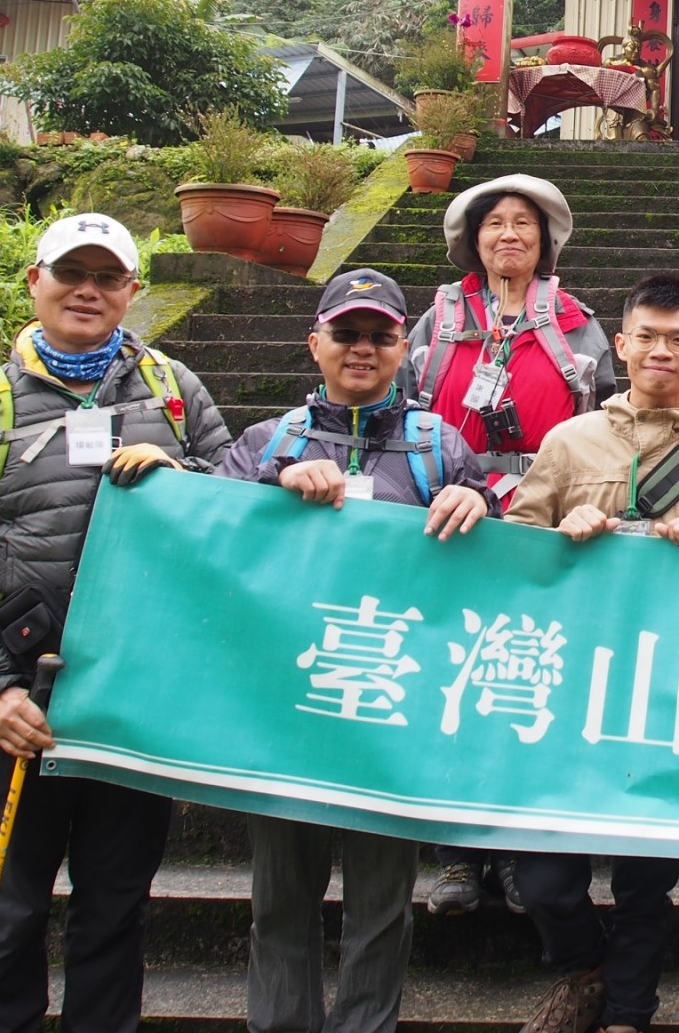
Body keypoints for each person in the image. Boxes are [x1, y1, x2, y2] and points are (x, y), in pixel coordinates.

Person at [0, 213, 233, 1033]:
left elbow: (234, 506)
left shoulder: (173, 390)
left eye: (106, 277)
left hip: (137, 692)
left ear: (131, 291)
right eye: (70, 273)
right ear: (35, 281)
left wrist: (182, 471)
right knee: (7, 909)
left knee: (116, 906)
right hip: (22, 693)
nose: (87, 290)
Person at [430, 273, 679, 1033]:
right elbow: (513, 560)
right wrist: (562, 531)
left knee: (647, 884)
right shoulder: (569, 441)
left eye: (677, 339)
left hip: (667, 695)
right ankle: (585, 964)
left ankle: (628, 1014)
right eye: (645, 335)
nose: (660, 350)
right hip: (570, 692)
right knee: (546, 881)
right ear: (619, 344)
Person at [214, 268, 492, 1033]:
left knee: (380, 907)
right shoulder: (266, 442)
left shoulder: (441, 445)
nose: (363, 348)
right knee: (280, 905)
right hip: (287, 709)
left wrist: (482, 499)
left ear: (408, 346)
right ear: (315, 344)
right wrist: (273, 481)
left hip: (388, 708)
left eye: (381, 334)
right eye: (347, 333)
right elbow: (206, 535)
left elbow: (493, 559)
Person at [404, 172, 614, 917]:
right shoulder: (438, 319)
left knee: (537, 684)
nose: (509, 235)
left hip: (548, 516)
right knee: (453, 681)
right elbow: (403, 407)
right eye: (495, 223)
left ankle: (532, 855)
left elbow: (609, 421)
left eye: (525, 223)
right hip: (449, 515)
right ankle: (459, 853)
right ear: (473, 238)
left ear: (546, 241)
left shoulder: (580, 322)